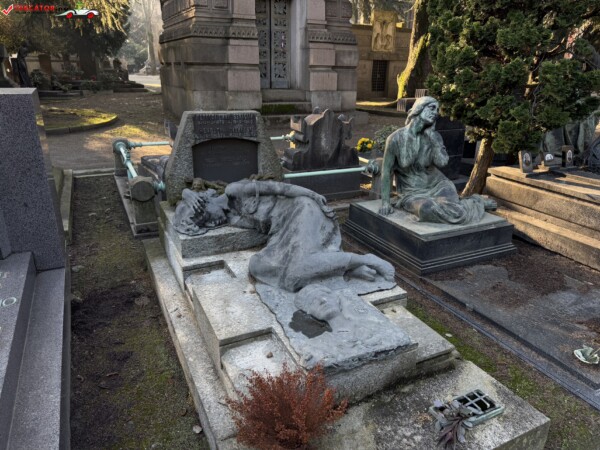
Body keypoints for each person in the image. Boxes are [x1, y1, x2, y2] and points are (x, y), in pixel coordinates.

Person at [174, 179, 395, 292]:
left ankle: (366, 260)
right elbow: (183, 198)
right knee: (257, 266)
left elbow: (279, 188)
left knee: (295, 272)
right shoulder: (230, 216)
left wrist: (313, 196)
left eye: (205, 217)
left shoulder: (234, 190)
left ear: (206, 201)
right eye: (205, 224)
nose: (211, 224)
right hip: (283, 232)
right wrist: (186, 193)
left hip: (302, 209)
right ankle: (344, 266)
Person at [379, 96, 496, 224]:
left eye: (437, 110)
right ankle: (473, 203)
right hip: (411, 192)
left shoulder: (434, 137)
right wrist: (385, 202)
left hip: (438, 185)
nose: (435, 113)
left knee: (455, 210)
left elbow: (442, 162)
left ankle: (474, 202)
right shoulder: (396, 139)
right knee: (426, 210)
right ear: (419, 109)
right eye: (431, 108)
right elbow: (386, 171)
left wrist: (433, 139)